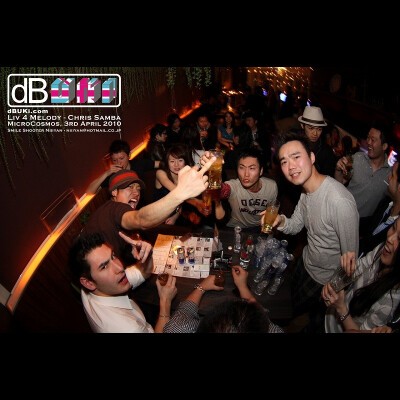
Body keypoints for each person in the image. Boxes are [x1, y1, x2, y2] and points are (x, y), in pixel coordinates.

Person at [270, 132, 359, 332]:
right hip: (305, 262)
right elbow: (296, 225)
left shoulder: (339, 202)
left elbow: (350, 263)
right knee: (286, 302)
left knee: (295, 314)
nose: (290, 166)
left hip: (321, 279)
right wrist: (280, 220)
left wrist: (334, 287)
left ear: (311, 157)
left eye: (296, 157)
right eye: (284, 161)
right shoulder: (306, 190)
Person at [82, 157, 215, 265]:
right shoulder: (113, 208)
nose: (136, 193)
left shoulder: (118, 211)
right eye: (129, 187)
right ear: (115, 192)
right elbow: (141, 219)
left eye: (138, 189)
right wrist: (181, 192)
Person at [68, 231, 177, 333]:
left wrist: (147, 256)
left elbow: (143, 272)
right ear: (88, 283)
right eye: (104, 266)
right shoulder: (128, 328)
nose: (120, 267)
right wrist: (165, 301)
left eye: (113, 256)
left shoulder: (93, 287)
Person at [322, 217, 400, 333]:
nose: (390, 238)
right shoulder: (382, 250)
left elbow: (360, 330)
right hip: (329, 316)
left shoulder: (391, 302)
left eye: (399, 238)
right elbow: (356, 270)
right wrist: (345, 269)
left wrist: (341, 308)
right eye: (393, 227)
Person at [163, 265, 283, 333]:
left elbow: (185, 310)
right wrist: (243, 287)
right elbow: (259, 315)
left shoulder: (177, 328)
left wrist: (201, 287)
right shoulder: (274, 331)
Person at [334, 120, 392, 231]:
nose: (368, 142)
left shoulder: (389, 175)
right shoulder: (358, 158)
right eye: (368, 138)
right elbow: (340, 182)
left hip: (361, 227)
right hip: (341, 215)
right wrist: (338, 170)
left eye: (373, 140)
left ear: (384, 146)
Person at [203, 147, 278, 230]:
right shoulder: (234, 185)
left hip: (260, 227)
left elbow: (272, 211)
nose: (246, 174)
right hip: (235, 228)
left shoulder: (271, 186)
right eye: (241, 168)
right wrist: (210, 172)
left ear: (261, 171)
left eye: (252, 168)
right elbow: (223, 190)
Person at [359, 161, 400, 256]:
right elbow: (369, 224)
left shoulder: (397, 229)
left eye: (392, 175)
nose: (389, 177)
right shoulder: (386, 203)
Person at [298, 106, 337, 177]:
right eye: (311, 128)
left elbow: (328, 177)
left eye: (319, 129)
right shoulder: (294, 145)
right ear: (302, 126)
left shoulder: (327, 152)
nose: (315, 133)